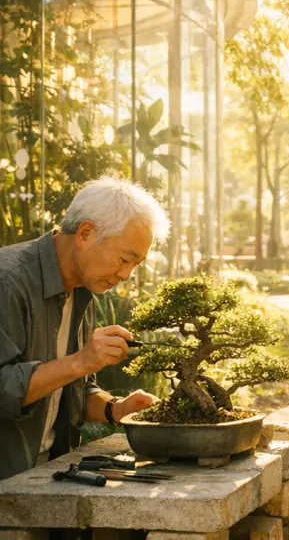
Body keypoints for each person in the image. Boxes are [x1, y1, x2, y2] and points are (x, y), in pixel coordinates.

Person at [0, 177, 170, 480]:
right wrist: (80, 361)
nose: (127, 274)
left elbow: (73, 387)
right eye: (124, 259)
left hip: (46, 477)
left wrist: (116, 409)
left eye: (136, 264)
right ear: (85, 233)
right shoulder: (7, 282)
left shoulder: (82, 290)